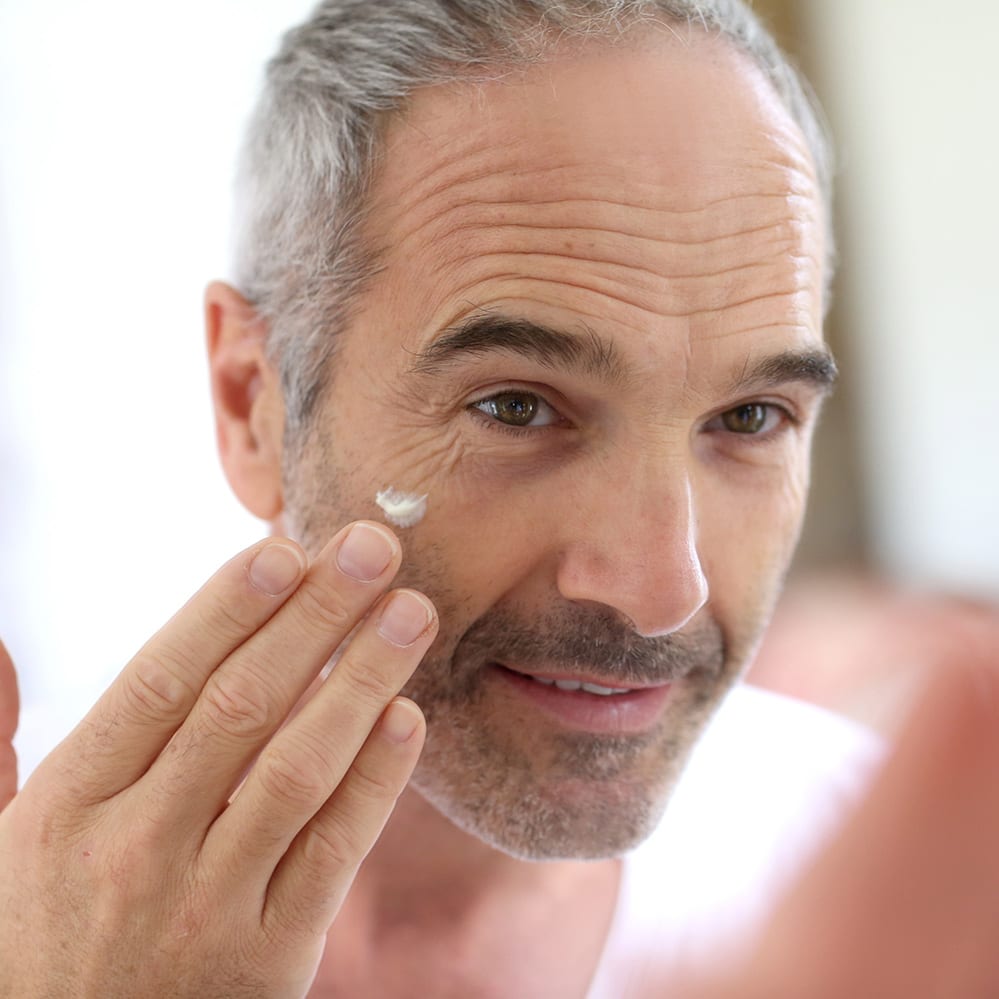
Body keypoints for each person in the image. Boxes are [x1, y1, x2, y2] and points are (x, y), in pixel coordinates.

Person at [0, 1, 995, 995]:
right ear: (252, 402)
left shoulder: (901, 892)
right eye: (517, 406)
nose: (662, 592)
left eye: (748, 419)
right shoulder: (29, 895)